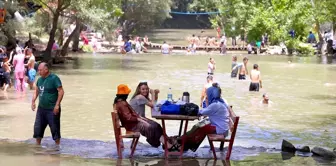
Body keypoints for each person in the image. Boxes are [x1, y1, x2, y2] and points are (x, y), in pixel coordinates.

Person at [114, 84, 177, 150]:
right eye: (127, 93)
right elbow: (128, 117)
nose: (128, 94)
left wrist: (141, 118)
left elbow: (132, 115)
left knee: (156, 125)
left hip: (132, 123)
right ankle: (167, 145)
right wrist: (139, 119)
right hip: (132, 125)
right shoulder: (122, 104)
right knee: (152, 127)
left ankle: (166, 143)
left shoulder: (121, 102)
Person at [174, 83, 231, 152]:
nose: (207, 96)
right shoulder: (219, 102)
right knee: (198, 127)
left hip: (220, 129)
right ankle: (184, 142)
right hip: (222, 128)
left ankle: (185, 144)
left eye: (208, 94)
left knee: (201, 129)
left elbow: (201, 112)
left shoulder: (215, 105)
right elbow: (206, 111)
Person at [31, 62, 64, 145]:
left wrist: (57, 105)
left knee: (55, 130)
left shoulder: (54, 78)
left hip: (52, 109)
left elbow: (61, 91)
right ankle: (37, 148)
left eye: (40, 70)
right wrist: (33, 101)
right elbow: (36, 91)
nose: (39, 72)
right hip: (41, 109)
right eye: (38, 70)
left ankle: (57, 149)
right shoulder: (40, 80)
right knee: (37, 130)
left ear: (46, 70)